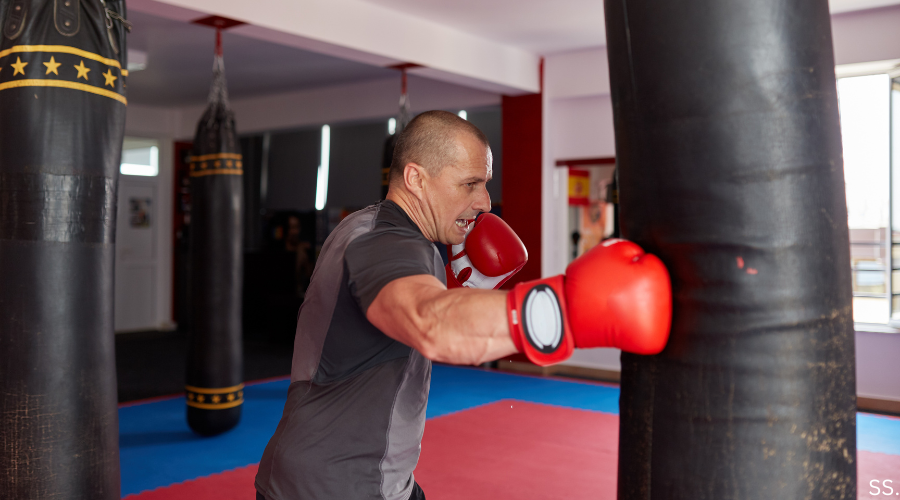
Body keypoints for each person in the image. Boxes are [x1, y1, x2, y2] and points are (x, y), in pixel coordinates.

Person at [254, 110, 672, 500]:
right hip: (335, 486)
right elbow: (428, 322)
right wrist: (564, 310)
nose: (485, 202)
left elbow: (414, 328)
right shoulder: (387, 242)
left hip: (365, 474)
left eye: (485, 184)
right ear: (416, 178)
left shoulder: (370, 226)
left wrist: (463, 295)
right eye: (470, 184)